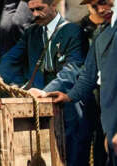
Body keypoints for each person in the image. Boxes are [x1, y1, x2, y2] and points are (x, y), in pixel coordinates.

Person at [0, 0, 94, 165]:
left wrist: (45, 91)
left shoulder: (74, 31)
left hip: (72, 106)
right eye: (32, 10)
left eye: (39, 9)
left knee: (74, 156)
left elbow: (72, 70)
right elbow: (10, 60)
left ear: (53, 5)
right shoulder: (31, 33)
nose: (34, 14)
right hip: (44, 108)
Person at [46, 0, 117, 165]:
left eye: (104, 2)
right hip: (107, 116)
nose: (100, 9)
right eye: (94, 5)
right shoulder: (101, 35)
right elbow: (89, 75)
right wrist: (69, 96)